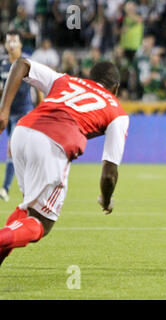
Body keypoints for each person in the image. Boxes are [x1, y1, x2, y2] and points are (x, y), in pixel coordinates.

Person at [0, 58, 129, 266]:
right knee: (41, 222)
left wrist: (3, 110)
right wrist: (106, 200)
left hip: (21, 133)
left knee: (28, 210)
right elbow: (109, 173)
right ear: (115, 88)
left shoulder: (66, 80)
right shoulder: (117, 112)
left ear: (90, 79)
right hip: (52, 144)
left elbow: (21, 64)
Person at [0, 30, 42, 202]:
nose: (11, 44)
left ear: (20, 44)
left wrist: (42, 106)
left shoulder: (26, 63)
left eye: (14, 41)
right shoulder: (2, 63)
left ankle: (5, 188)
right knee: (18, 151)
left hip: (24, 111)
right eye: (8, 41)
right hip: (7, 112)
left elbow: (38, 86)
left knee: (12, 147)